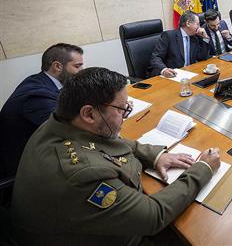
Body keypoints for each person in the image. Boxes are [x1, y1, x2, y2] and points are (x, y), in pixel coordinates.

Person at [11, 67, 220, 245]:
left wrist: (156, 156)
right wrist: (203, 168)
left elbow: (107, 141)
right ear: (89, 114)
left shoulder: (61, 122)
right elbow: (154, 216)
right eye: (121, 110)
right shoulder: (83, 175)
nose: (124, 117)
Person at [0, 43, 84, 178]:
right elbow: (72, 130)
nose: (81, 71)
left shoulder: (40, 80)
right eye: (77, 66)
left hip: (37, 149)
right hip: (23, 167)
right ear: (57, 66)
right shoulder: (37, 96)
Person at [150, 11, 210, 77]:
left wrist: (205, 37)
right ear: (188, 23)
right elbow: (156, 57)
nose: (199, 27)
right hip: (173, 75)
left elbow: (202, 57)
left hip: (190, 73)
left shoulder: (195, 37)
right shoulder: (169, 36)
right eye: (198, 24)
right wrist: (164, 69)